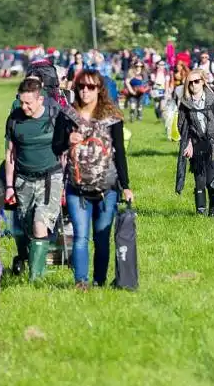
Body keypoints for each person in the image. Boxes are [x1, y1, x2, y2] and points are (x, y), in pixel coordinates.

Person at [53, 70, 134, 291]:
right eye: (81, 87)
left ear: (99, 89)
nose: (85, 91)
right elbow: (55, 146)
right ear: (76, 89)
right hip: (76, 188)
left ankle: (99, 281)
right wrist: (66, 140)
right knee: (80, 236)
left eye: (91, 87)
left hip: (106, 188)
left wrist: (126, 186)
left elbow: (120, 153)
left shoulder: (112, 117)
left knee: (101, 237)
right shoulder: (67, 115)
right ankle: (81, 281)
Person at [4, 78, 65, 281]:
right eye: (21, 102)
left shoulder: (54, 116)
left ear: (40, 99)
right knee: (26, 227)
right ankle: (29, 259)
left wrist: (65, 183)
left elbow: (64, 152)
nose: (24, 106)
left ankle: (35, 278)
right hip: (23, 180)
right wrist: (10, 186)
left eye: (28, 103)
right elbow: (10, 155)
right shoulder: (14, 120)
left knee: (40, 223)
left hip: (51, 178)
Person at [176, 69, 214, 217]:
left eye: (197, 81)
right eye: (190, 82)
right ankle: (200, 212)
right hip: (197, 145)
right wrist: (188, 143)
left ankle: (213, 210)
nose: (193, 85)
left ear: (203, 82)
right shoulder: (185, 103)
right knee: (199, 181)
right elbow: (182, 126)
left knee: (211, 180)